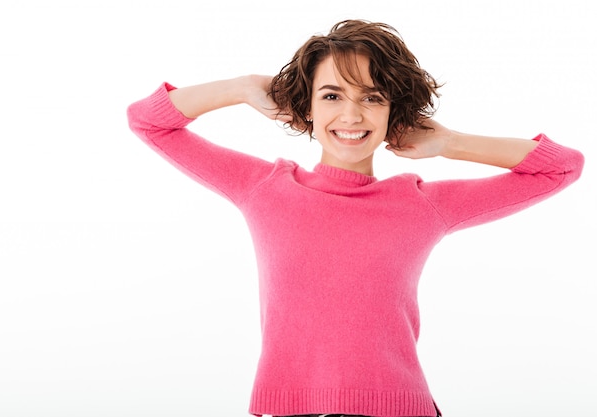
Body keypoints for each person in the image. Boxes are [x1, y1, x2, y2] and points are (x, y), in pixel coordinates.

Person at [127, 19, 583, 417]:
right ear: (306, 106)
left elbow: (563, 166)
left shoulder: (419, 204)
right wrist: (243, 86)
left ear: (392, 113)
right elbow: (147, 121)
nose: (351, 114)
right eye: (331, 95)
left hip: (397, 407)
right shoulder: (264, 188)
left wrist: (449, 143)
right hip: (288, 408)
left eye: (372, 98)